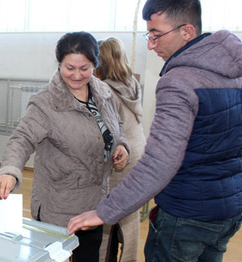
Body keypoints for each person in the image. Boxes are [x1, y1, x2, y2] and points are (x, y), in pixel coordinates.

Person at [67, 1, 242, 261]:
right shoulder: (234, 72)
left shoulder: (179, 81)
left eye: (156, 35)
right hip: (228, 210)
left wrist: (103, 212)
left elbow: (160, 163)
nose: (151, 44)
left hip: (187, 214)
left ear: (187, 31)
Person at [0, 32, 130, 262]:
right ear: (59, 65)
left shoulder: (104, 93)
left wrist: (122, 146)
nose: (77, 75)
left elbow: (118, 125)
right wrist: (9, 170)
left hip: (94, 204)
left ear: (95, 65)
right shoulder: (45, 102)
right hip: (58, 207)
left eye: (84, 68)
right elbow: (22, 138)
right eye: (70, 68)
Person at [94, 37, 146, 262]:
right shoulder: (131, 83)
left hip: (120, 157)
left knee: (106, 216)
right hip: (138, 150)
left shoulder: (104, 90)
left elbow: (106, 134)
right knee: (128, 213)